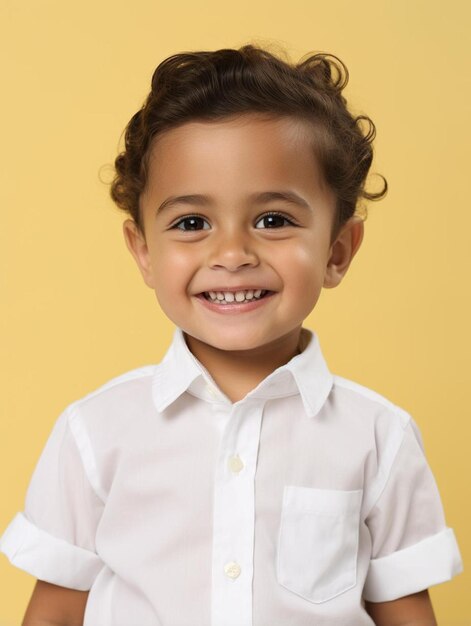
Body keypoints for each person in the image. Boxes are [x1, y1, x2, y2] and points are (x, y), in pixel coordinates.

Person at [0, 44, 463, 626]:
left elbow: (404, 612)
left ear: (338, 250)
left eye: (273, 220)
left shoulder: (378, 437)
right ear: (144, 252)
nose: (232, 254)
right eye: (191, 223)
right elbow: (57, 610)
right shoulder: (94, 433)